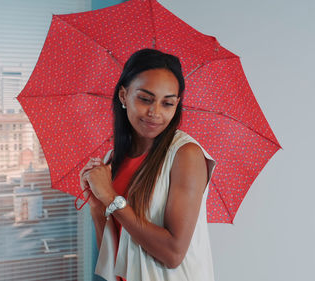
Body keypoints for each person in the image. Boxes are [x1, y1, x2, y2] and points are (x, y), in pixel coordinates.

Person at [79, 49, 217, 281]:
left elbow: (173, 253)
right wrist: (97, 207)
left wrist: (112, 198)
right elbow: (113, 259)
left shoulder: (186, 155)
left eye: (167, 103)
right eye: (145, 99)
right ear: (123, 96)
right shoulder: (112, 160)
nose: (155, 113)